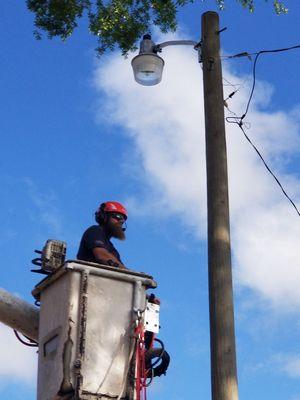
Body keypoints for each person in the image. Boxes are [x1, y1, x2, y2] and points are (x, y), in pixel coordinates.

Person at [77, 201, 127, 268]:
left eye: (123, 220)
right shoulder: (95, 230)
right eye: (118, 217)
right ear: (104, 217)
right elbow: (102, 256)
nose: (121, 221)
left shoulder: (114, 251)